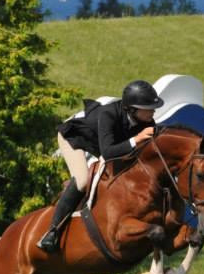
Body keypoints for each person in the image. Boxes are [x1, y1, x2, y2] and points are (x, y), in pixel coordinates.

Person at [37, 79, 164, 252]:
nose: (153, 110)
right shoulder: (108, 114)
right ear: (132, 109)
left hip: (101, 141)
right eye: (148, 107)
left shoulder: (147, 122)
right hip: (74, 137)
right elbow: (108, 152)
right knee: (82, 180)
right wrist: (137, 139)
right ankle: (51, 232)